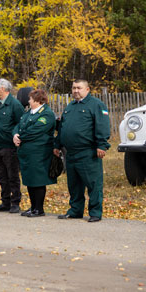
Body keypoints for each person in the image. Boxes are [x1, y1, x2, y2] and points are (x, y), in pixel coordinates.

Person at [54, 79, 111, 222]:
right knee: (74, 185)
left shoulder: (96, 105)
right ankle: (75, 210)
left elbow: (102, 126)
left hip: (88, 152)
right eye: (73, 88)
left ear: (87, 89)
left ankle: (95, 213)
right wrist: (57, 144)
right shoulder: (70, 106)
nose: (75, 91)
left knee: (93, 184)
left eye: (79, 88)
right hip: (71, 153)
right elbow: (62, 128)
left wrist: (101, 145)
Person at [13, 89, 57, 217]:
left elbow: (35, 131)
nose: (28, 101)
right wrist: (15, 134)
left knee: (38, 180)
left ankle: (39, 209)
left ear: (37, 101)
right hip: (26, 153)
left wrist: (20, 136)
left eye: (30, 99)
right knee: (29, 180)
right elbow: (18, 125)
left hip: (39, 153)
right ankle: (33, 207)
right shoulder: (29, 113)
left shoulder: (47, 114)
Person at [0, 78, 25, 213]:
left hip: (9, 147)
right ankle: (5, 202)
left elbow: (20, 124)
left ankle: (15, 202)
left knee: (12, 176)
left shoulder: (15, 105)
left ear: (3, 89)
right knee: (1, 176)